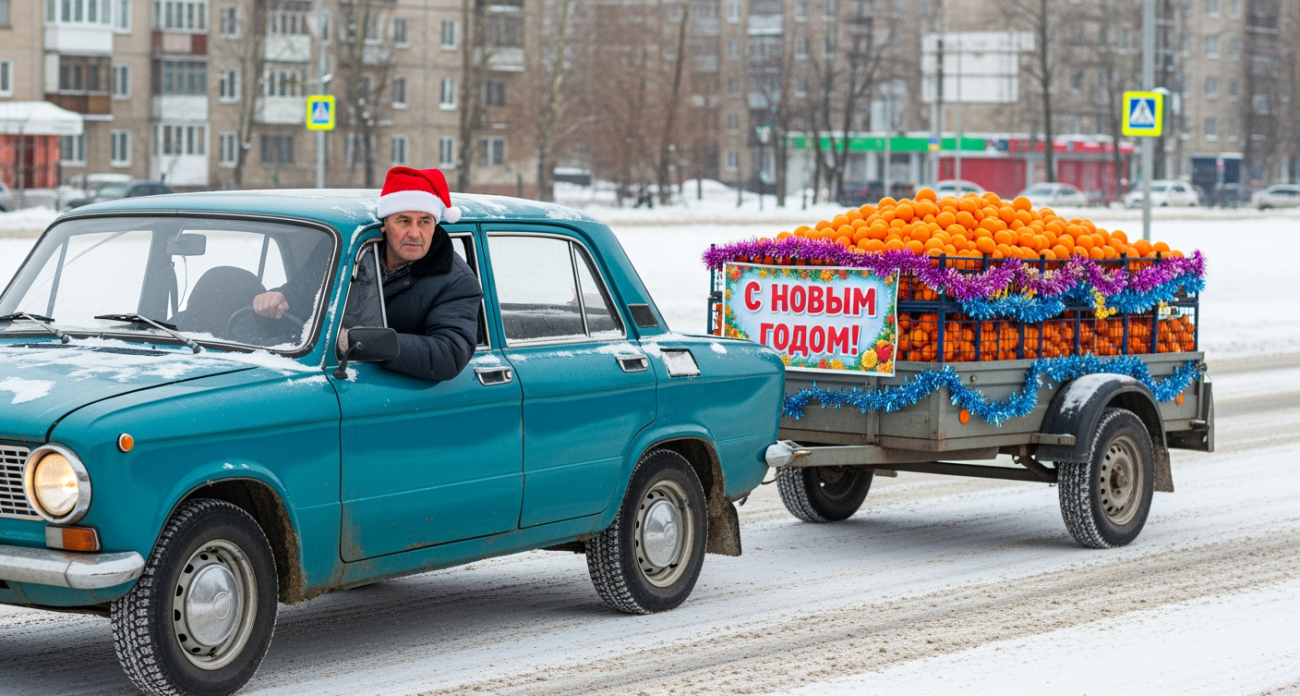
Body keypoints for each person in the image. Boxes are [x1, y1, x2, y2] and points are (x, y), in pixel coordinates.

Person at [253, 167, 482, 381]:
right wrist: (280, 297)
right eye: (403, 221)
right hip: (321, 365)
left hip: (395, 393)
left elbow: (450, 352)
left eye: (424, 221)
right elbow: (304, 290)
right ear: (385, 225)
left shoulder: (457, 281)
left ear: (435, 225)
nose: (415, 233)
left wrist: (363, 342)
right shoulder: (353, 252)